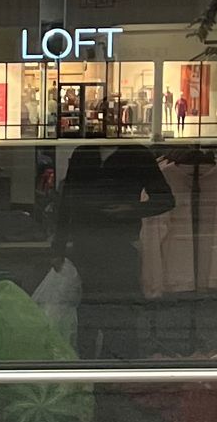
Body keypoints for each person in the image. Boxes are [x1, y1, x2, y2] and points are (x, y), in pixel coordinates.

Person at [51, 142, 174, 360]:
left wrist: (130, 209)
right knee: (88, 313)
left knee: (119, 314)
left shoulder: (136, 154)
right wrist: (58, 247)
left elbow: (165, 199)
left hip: (120, 243)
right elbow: (67, 199)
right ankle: (87, 370)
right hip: (86, 244)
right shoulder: (84, 152)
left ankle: (118, 371)